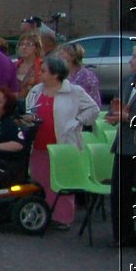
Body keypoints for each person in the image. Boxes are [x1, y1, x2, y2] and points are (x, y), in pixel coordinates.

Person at [24, 54, 101, 228]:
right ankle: (45, 214)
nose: (40, 73)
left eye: (44, 71)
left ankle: (63, 218)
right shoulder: (36, 90)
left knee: (63, 182)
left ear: (55, 74)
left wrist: (77, 121)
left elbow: (93, 109)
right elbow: (29, 109)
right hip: (39, 144)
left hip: (63, 145)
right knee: (40, 180)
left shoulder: (74, 91)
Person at [107, 48, 136, 248]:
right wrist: (113, 115)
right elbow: (118, 105)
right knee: (119, 193)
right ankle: (123, 236)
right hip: (124, 146)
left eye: (135, 57)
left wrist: (130, 118)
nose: (130, 61)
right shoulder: (127, 81)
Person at [62, 43, 104, 110]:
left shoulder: (88, 76)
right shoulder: (61, 74)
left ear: (72, 57)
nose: (59, 56)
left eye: (62, 54)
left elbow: (95, 101)